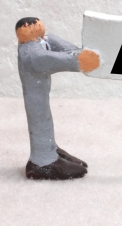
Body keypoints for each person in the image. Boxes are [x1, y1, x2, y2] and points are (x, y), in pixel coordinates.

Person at [16, 17, 100, 180]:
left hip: (41, 94)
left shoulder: (42, 41)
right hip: (35, 98)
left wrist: (78, 52)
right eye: (34, 26)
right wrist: (79, 61)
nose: (39, 27)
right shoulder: (31, 54)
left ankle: (49, 148)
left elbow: (60, 45)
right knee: (40, 120)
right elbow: (51, 60)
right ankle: (41, 161)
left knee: (45, 119)